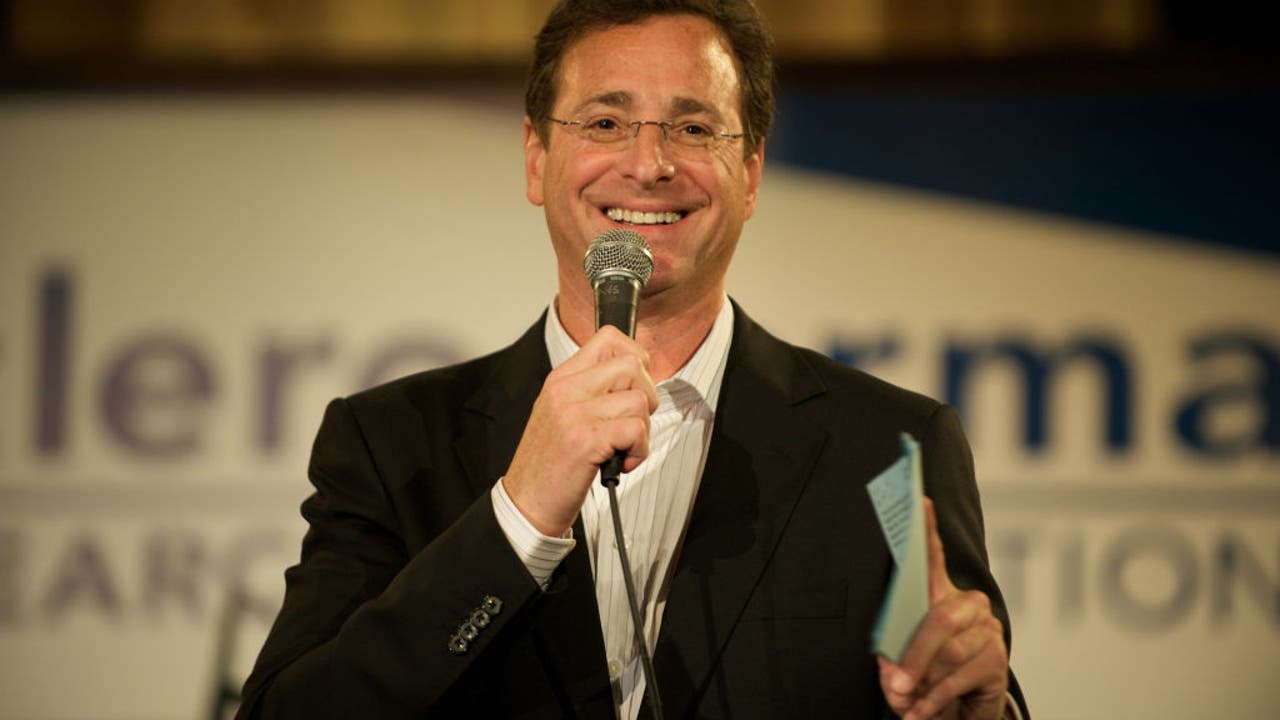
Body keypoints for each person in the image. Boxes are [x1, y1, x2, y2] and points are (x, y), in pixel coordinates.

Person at [237, 1, 1029, 718]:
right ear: (536, 156)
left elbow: (962, 687)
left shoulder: (887, 446)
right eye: (606, 122)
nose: (649, 164)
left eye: (694, 128)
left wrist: (981, 711)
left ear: (752, 173)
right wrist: (517, 516)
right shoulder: (389, 443)